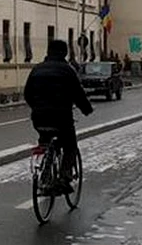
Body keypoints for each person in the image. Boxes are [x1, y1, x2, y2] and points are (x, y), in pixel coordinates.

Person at [24, 39, 94, 194]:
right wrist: (87, 109)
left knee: (46, 141)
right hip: (61, 119)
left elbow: (27, 93)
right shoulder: (67, 70)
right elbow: (78, 93)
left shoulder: (37, 69)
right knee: (70, 147)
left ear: (48, 51)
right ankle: (64, 178)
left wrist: (36, 107)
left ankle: (45, 176)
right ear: (65, 53)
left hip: (39, 118)